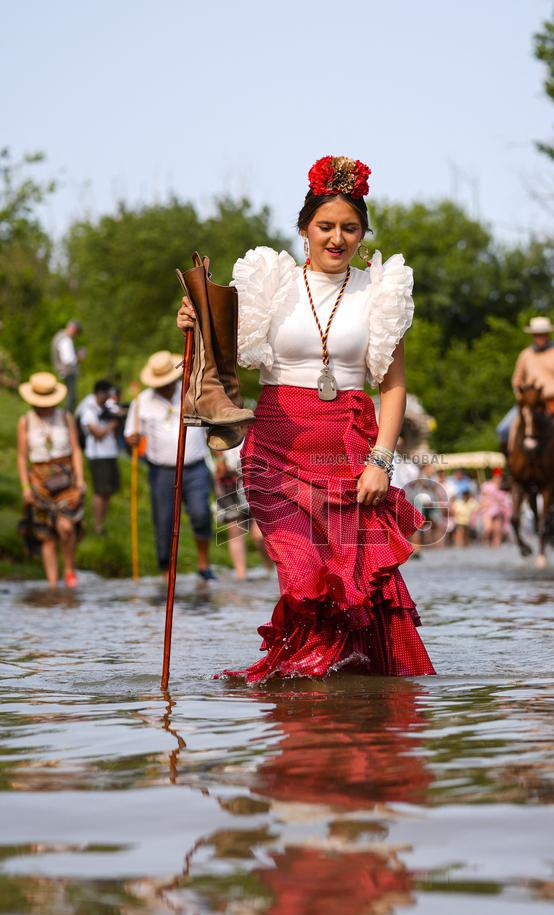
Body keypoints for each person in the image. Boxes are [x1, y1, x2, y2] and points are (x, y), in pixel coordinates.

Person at [177, 154, 435, 683]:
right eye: (325, 226)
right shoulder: (272, 284)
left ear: (363, 234)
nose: (337, 238)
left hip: (350, 446)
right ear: (303, 229)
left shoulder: (380, 293)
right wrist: (196, 322)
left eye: (350, 228)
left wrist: (381, 462)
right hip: (275, 446)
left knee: (356, 581)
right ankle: (308, 682)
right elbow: (219, 356)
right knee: (304, 576)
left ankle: (341, 699)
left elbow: (394, 386)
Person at [124, 351, 216, 582]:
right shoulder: (141, 402)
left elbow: (211, 424)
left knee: (201, 513)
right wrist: (133, 440)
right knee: (163, 519)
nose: (164, 387)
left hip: (195, 466)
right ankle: (166, 571)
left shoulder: (191, 392)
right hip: (162, 470)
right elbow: (130, 436)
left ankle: (204, 563)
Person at [16, 371, 85, 587]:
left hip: (65, 477)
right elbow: (21, 456)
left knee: (66, 527)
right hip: (39, 480)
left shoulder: (65, 418)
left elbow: (75, 449)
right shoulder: (25, 422)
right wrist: (25, 486)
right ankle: (53, 584)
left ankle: (69, 570)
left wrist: (80, 478)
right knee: (45, 534)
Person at [497, 316, 554, 463]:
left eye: (542, 334)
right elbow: (517, 379)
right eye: (536, 334)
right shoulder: (525, 355)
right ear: (532, 335)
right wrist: (522, 396)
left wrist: (543, 395)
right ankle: (509, 468)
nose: (539, 337)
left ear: (548, 334)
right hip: (529, 404)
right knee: (502, 430)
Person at [213, 444, 274, 580]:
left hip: (252, 476)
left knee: (259, 535)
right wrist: (220, 460)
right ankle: (241, 577)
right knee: (235, 531)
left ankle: (270, 569)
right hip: (228, 479)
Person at [76, 379, 121, 534]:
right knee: (100, 491)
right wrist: (113, 424)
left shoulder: (108, 408)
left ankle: (101, 523)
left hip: (110, 453)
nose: (109, 396)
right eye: (107, 392)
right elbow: (97, 433)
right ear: (100, 392)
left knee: (108, 491)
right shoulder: (88, 410)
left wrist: (117, 420)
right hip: (97, 455)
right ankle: (97, 525)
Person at [50, 320, 84, 412]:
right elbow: (68, 359)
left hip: (61, 372)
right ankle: (66, 418)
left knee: (64, 397)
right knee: (70, 398)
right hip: (67, 372)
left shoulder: (60, 336)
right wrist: (79, 357)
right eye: (76, 332)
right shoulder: (65, 339)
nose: (76, 335)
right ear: (73, 329)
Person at [477, 468, 511, 546]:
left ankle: (496, 547)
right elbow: (483, 498)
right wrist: (483, 505)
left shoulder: (503, 487)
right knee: (488, 529)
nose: (499, 479)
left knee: (497, 531)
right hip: (488, 509)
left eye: (500, 477)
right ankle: (484, 543)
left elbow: (506, 499)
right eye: (497, 477)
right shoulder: (487, 485)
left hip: (499, 510)